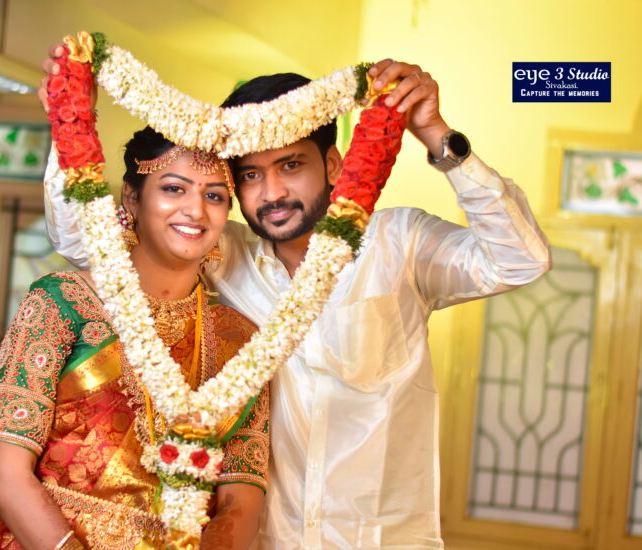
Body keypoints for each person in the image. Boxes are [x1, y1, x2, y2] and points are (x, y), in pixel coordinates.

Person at [43, 57, 551, 548]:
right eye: (250, 174)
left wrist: (438, 135)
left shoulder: (400, 243)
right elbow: (83, 242)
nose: (272, 193)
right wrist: (70, 117)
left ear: (332, 164)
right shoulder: (222, 254)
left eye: (290, 165)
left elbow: (520, 259)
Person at [0, 127, 269, 550]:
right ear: (132, 197)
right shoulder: (63, 303)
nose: (196, 210)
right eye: (174, 188)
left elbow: (241, 497)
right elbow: (2, 471)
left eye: (214, 195)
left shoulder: (241, 341)